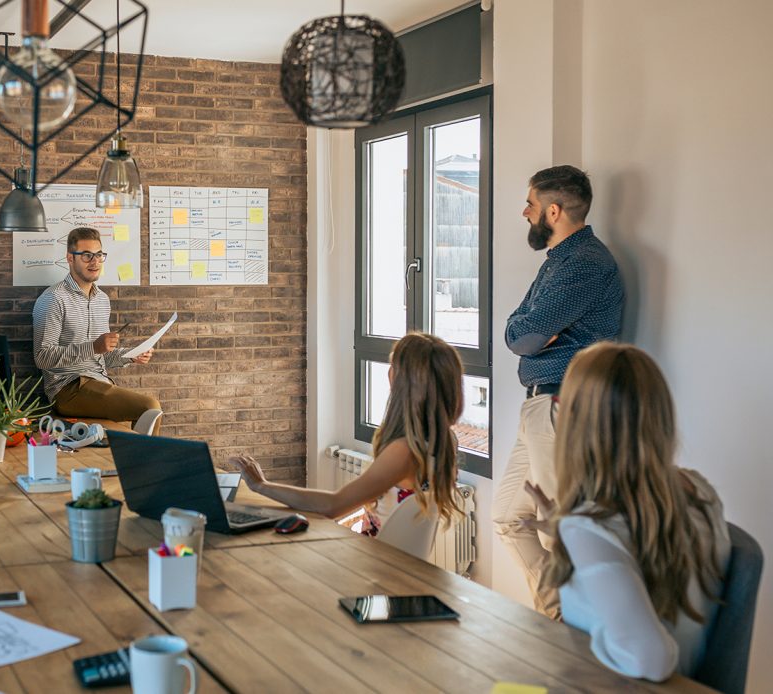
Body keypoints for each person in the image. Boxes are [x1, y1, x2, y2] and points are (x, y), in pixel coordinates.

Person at [523, 343, 729, 681]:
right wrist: (567, 532)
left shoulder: (590, 528)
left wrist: (576, 533)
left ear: (577, 425)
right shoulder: (702, 493)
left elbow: (653, 658)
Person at [493, 165, 625, 619]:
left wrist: (532, 332)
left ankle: (568, 636)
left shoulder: (584, 264)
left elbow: (524, 337)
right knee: (510, 518)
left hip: (561, 404)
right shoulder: (560, 261)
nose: (524, 212)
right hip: (540, 404)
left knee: (557, 530)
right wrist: (530, 331)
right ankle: (556, 617)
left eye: (530, 204)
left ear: (553, 210)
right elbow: (517, 329)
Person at [231, 332, 464, 528]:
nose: (388, 373)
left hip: (376, 568)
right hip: (394, 564)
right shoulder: (443, 441)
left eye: (393, 366)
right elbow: (389, 509)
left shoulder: (403, 451)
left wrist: (262, 486)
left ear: (406, 383)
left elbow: (333, 505)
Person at [32, 227, 161, 430]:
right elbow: (42, 357)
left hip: (99, 381)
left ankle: (132, 458)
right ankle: (143, 462)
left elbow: (102, 356)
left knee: (147, 410)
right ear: (70, 258)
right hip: (67, 388)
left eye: (99, 255)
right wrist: (93, 347)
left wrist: (131, 356)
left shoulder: (102, 300)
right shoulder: (53, 299)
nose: (95, 262)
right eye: (86, 256)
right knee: (150, 407)